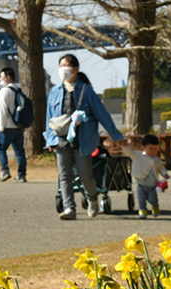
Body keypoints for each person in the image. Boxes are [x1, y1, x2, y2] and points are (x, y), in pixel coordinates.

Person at [44, 54, 126, 220]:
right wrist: (49, 140)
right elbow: (50, 118)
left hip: (83, 139)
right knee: (64, 175)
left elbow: (102, 114)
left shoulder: (86, 91)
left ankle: (92, 198)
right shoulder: (55, 92)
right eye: (61, 66)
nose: (63, 69)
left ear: (76, 69)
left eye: (66, 66)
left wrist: (116, 135)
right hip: (61, 139)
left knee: (85, 175)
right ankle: (69, 208)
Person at [0, 67, 27, 183]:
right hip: (19, 126)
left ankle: (5, 171)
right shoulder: (19, 90)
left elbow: (3, 110)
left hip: (8, 126)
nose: (0, 79)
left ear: (8, 78)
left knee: (1, 148)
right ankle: (21, 174)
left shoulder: (4, 91)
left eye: (1, 77)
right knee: (19, 151)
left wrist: (1, 126)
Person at [129, 134, 169, 219]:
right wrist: (123, 145)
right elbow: (130, 152)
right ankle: (142, 211)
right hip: (141, 184)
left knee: (152, 199)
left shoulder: (156, 159)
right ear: (144, 148)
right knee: (141, 200)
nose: (153, 151)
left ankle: (155, 206)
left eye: (156, 149)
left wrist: (165, 174)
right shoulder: (139, 157)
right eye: (151, 149)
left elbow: (161, 167)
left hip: (152, 185)